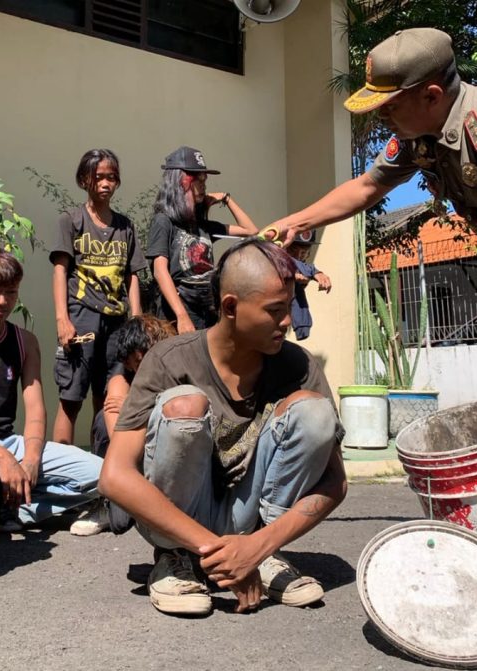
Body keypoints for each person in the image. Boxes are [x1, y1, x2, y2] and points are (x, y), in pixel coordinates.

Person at [269, 27, 477, 542]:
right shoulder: (422, 133)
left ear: (431, 95)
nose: (381, 116)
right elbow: (368, 186)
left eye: (389, 105)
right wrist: (298, 220)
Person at [99, 239, 347, 616]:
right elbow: (114, 476)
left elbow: (336, 481)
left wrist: (256, 548)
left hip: (252, 522)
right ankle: (176, 558)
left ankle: (264, 557)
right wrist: (217, 551)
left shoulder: (298, 365)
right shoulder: (168, 359)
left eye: (290, 307)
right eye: (275, 310)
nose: (288, 322)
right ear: (231, 307)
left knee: (316, 414)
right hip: (177, 517)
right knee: (185, 404)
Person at [0, 247, 103, 534]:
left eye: (12, 293)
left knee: (103, 475)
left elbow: (35, 408)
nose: (3, 301)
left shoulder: (24, 341)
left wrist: (29, 460)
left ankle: (12, 505)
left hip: (10, 443)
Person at [49, 148, 147, 445]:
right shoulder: (72, 220)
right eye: (99, 177)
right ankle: (60, 478)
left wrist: (137, 319)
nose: (106, 183)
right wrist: (62, 319)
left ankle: (104, 470)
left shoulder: (125, 226)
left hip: (116, 322)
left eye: (112, 178)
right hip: (81, 317)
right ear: (84, 180)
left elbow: (132, 274)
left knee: (110, 397)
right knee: (72, 396)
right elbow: (60, 272)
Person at [71, 315, 178, 538]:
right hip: (131, 457)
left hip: (168, 460)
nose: (138, 368)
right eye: (132, 363)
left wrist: (134, 406)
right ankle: (108, 501)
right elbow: (115, 432)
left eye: (141, 360)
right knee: (102, 418)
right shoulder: (121, 380)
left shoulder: (178, 369)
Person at [147, 146, 259, 333]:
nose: (204, 186)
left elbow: (251, 230)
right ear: (181, 182)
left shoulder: (203, 226)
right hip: (177, 313)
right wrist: (182, 317)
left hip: (206, 312)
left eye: (204, 181)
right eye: (198, 181)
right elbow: (160, 271)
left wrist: (226, 199)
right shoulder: (164, 221)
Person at [283, 231, 332, 341]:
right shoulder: (278, 262)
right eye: (293, 250)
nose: (298, 256)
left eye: (304, 253)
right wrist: (315, 272)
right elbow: (292, 262)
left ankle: (302, 327)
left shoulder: (301, 270)